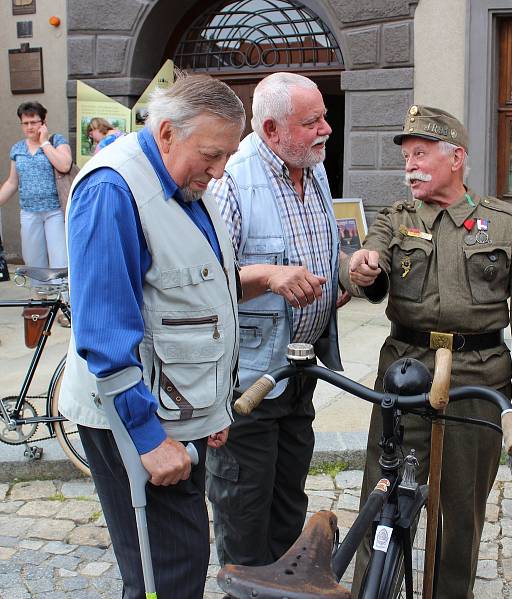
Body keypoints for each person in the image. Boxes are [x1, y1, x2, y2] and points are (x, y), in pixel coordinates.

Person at [59, 75, 269, 598]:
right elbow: (106, 333)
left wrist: (212, 411)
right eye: (212, 154)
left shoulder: (185, 181)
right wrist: (148, 437)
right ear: (168, 132)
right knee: (166, 574)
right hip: (135, 422)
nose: (220, 172)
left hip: (175, 414)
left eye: (228, 156)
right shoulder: (112, 189)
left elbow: (199, 301)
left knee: (179, 561)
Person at [341, 105, 512, 599]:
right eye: (406, 157)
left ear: (455, 158)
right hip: (405, 373)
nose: (409, 166)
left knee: (459, 511)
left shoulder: (506, 226)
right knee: (382, 493)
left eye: (421, 154)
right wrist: (365, 267)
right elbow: (373, 257)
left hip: (477, 377)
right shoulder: (395, 218)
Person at [206, 71, 345, 568]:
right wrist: (268, 276)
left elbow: (320, 247)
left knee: (288, 504)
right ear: (271, 130)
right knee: (244, 510)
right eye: (312, 121)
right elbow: (205, 279)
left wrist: (340, 279)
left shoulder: (312, 165)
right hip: (249, 383)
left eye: (323, 116)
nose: (327, 128)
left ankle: (284, 585)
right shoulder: (233, 179)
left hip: (298, 374)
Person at [0, 101, 71, 313]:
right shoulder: (17, 149)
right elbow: (12, 182)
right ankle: (39, 303)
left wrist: (45, 142)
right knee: (33, 259)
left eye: (34, 122)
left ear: (43, 122)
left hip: (54, 212)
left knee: (60, 259)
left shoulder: (57, 141)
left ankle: (65, 304)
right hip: (29, 212)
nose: (29, 127)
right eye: (25, 123)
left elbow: (64, 164)